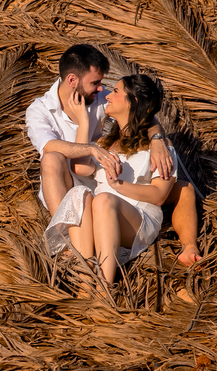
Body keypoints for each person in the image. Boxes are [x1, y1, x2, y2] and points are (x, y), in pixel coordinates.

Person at [26, 45, 201, 267]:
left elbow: (141, 113)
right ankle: (68, 239)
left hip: (103, 176)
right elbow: (50, 146)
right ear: (72, 80)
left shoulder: (100, 99)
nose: (102, 90)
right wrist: (91, 148)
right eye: (95, 83)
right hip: (72, 183)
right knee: (52, 158)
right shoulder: (39, 110)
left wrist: (157, 139)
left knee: (182, 187)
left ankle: (190, 246)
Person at [45, 74, 176, 287]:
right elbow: (79, 167)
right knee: (79, 194)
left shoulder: (160, 147)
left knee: (104, 199)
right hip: (101, 213)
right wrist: (83, 121)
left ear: (133, 101)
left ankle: (105, 287)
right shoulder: (104, 143)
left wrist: (117, 185)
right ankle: (86, 282)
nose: (107, 96)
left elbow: (159, 196)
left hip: (137, 218)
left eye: (115, 91)